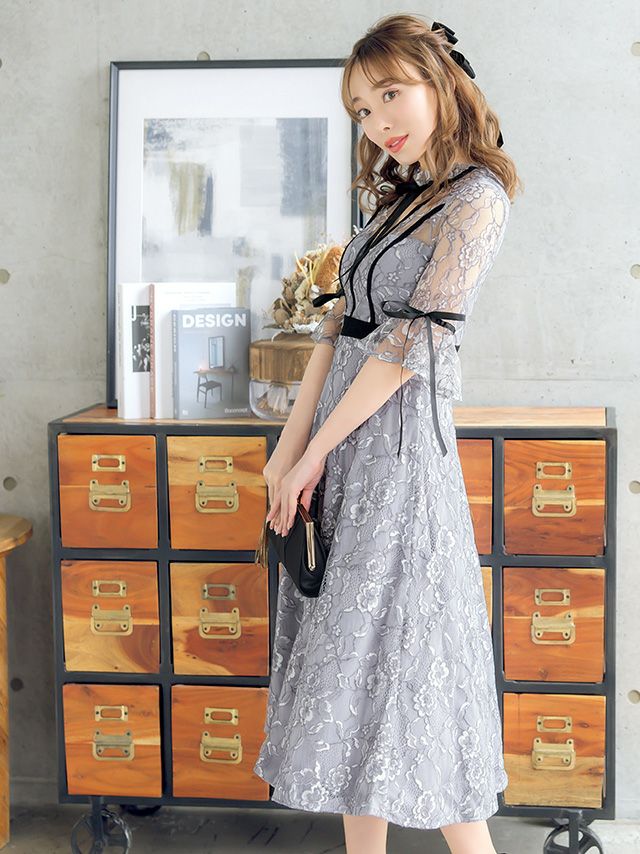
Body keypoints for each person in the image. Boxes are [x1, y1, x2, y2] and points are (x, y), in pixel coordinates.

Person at [253, 12, 522, 854]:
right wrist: (289, 451)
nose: (378, 122)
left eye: (391, 95)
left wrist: (315, 452)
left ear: (440, 84)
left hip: (398, 460)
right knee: (349, 673)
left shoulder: (476, 200)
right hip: (340, 445)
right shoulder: (398, 198)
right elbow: (339, 330)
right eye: (363, 110)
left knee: (408, 661)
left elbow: (410, 347)